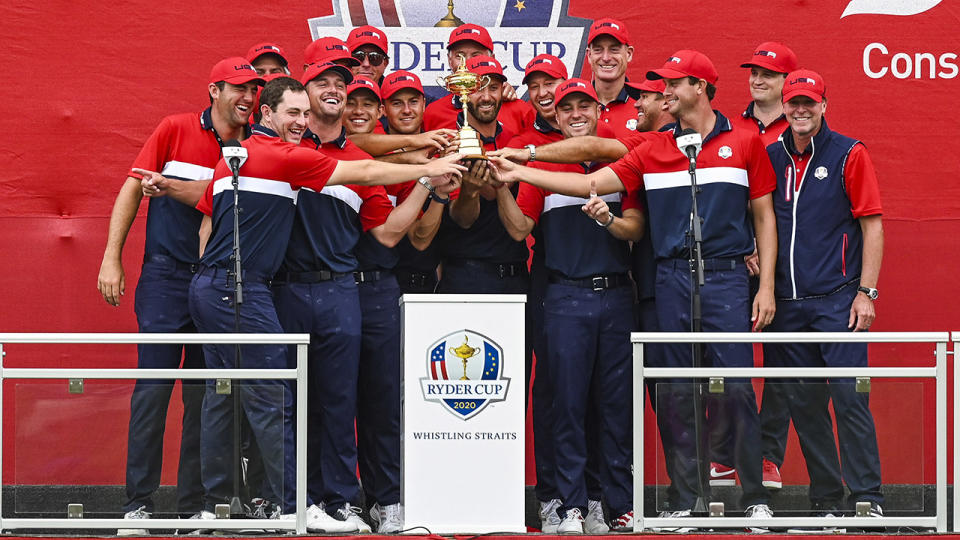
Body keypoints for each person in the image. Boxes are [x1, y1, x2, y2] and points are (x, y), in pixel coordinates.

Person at [137, 76, 465, 529]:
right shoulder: (281, 155)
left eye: (304, 114)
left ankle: (210, 509)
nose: (301, 121)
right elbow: (367, 171)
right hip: (240, 289)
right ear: (265, 115)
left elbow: (210, 216)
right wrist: (427, 168)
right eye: (292, 113)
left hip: (220, 287)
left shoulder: (238, 155)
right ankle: (295, 507)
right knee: (274, 396)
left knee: (223, 395)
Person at [490, 49, 778, 529]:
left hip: (727, 276)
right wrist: (518, 171)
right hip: (667, 277)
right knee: (675, 391)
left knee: (735, 387)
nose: (664, 92)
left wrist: (765, 285)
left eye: (673, 84)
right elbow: (593, 181)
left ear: (701, 87)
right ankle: (688, 500)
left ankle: (752, 498)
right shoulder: (651, 149)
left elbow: (764, 216)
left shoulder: (746, 141)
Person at [97, 56, 261, 535]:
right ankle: (138, 505)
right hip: (166, 278)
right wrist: (112, 257)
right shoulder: (174, 128)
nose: (248, 98)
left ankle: (195, 508)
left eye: (253, 90)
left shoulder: (254, 144)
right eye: (239, 88)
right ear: (214, 90)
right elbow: (132, 188)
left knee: (209, 395)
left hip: (219, 281)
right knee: (153, 389)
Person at [499, 78, 642, 534]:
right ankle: (571, 504)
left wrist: (611, 220)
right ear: (555, 118)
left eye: (584, 105)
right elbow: (521, 228)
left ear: (599, 111)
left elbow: (636, 227)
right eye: (567, 108)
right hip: (564, 295)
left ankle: (614, 502)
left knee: (615, 405)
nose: (576, 113)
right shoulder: (540, 168)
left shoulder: (623, 159)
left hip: (619, 295)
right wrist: (502, 186)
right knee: (567, 404)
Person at [764, 69, 884, 520]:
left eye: (808, 103)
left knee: (851, 397)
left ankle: (868, 497)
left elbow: (872, 224)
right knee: (805, 406)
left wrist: (866, 292)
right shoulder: (770, 155)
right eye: (793, 102)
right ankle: (827, 500)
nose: (799, 109)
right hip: (789, 305)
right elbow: (760, 218)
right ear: (784, 106)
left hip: (838, 300)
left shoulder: (848, 153)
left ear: (823, 106)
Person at [436, 56, 528, 295]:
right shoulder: (451, 145)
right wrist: (470, 191)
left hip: (516, 274)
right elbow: (461, 219)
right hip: (466, 274)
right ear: (463, 93)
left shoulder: (516, 141)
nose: (486, 97)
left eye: (494, 88)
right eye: (477, 89)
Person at [423, 24, 534, 134]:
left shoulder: (520, 111)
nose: (467, 63)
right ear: (449, 60)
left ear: (492, 59)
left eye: (476, 55)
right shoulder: (433, 112)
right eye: (459, 56)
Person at [585, 18, 642, 138]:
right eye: (598, 50)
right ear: (589, 55)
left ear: (629, 54)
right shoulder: (575, 105)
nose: (606, 57)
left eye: (614, 50)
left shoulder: (644, 105)